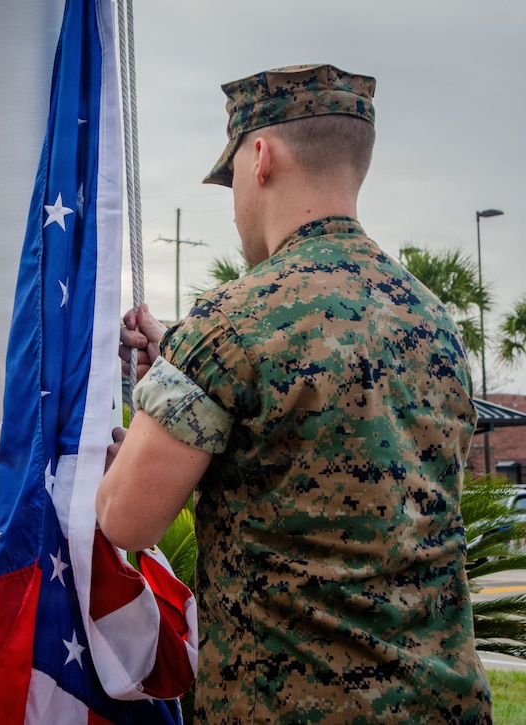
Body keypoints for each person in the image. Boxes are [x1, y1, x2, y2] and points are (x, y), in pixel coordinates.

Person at [96, 65, 492, 723]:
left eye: (230, 184)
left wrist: (144, 421)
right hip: (442, 703)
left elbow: (126, 520)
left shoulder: (229, 322)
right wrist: (176, 359)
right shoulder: (433, 321)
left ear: (260, 156)